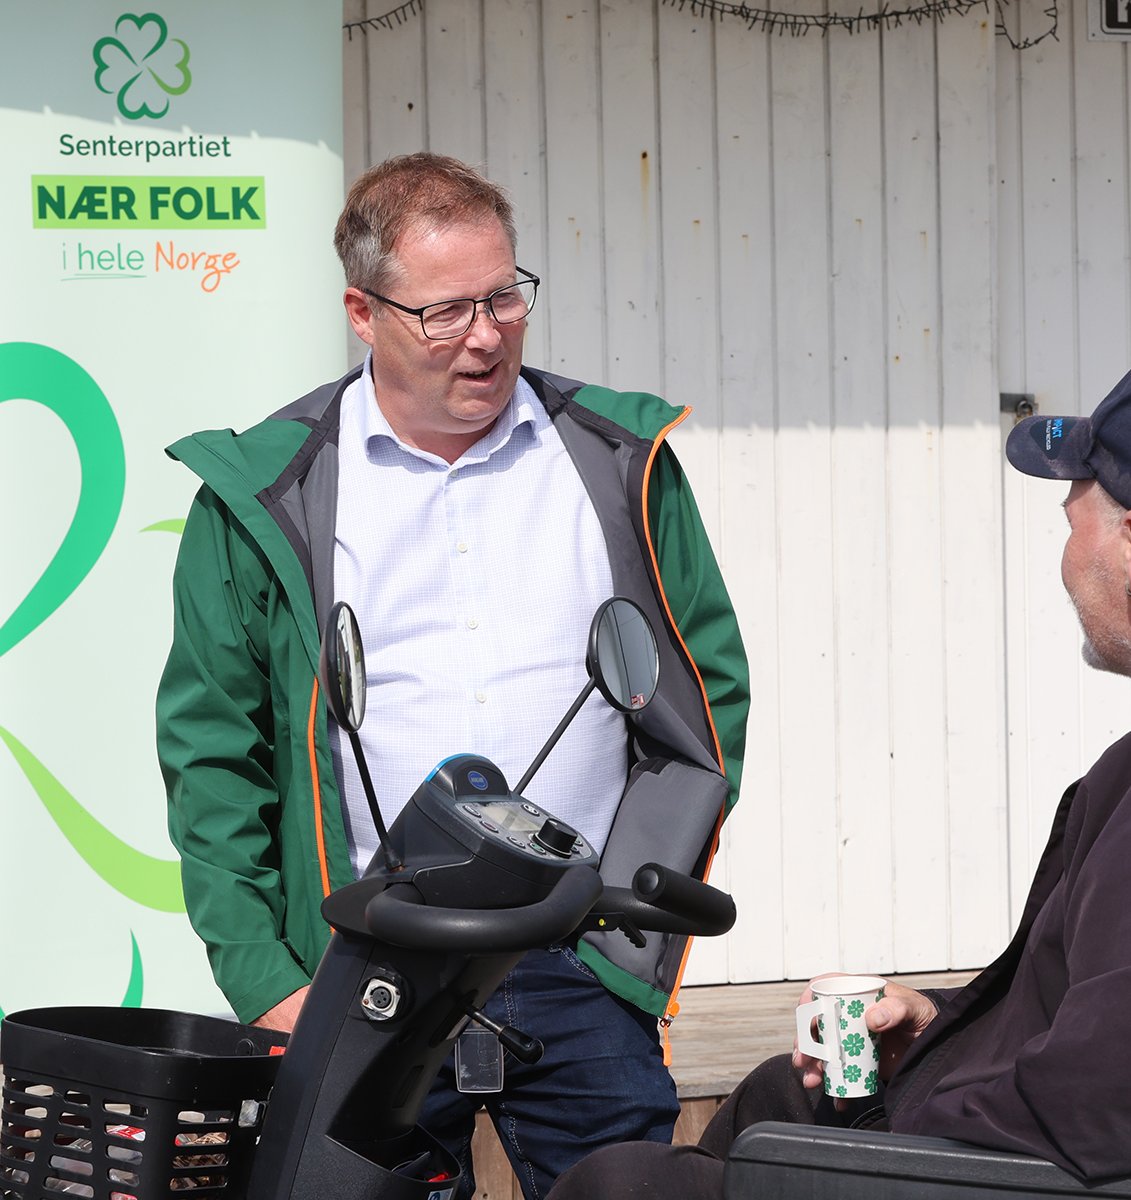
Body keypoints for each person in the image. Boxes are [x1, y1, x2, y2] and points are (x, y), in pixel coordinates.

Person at [546, 352, 1131, 1200]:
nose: (1069, 562)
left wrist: (911, 1109)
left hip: (1053, 1179)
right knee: (782, 1097)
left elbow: (1123, 1107)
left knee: (621, 1185)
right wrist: (937, 1034)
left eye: (1074, 524)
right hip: (1063, 1148)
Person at [156, 152, 750, 1200]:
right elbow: (214, 756)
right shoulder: (263, 491)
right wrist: (266, 979)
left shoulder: (618, 459)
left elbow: (703, 708)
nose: (486, 335)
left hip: (578, 960)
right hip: (365, 966)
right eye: (445, 311)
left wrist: (627, 948)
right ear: (362, 310)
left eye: (504, 296)